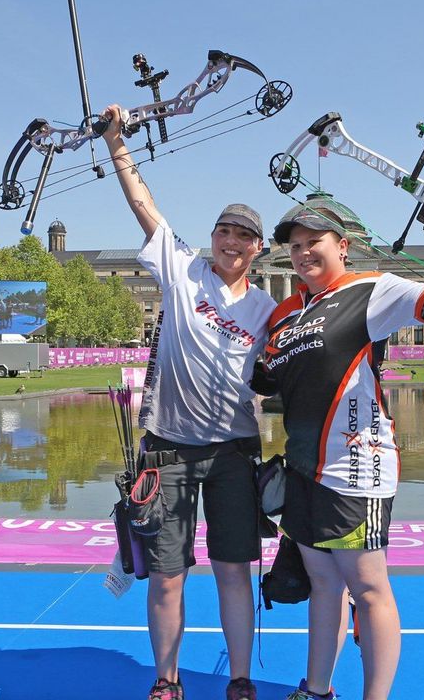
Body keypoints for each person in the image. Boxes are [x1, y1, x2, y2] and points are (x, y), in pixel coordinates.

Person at [253, 191, 424, 700]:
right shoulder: (286, 311)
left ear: (344, 246)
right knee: (323, 585)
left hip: (356, 467)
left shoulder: (371, 288)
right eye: (295, 245)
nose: (304, 252)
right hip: (303, 469)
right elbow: (268, 382)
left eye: (315, 242)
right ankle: (316, 690)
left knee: (368, 587)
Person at [100, 103, 277, 700]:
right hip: (167, 454)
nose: (232, 241)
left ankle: (240, 680)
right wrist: (116, 143)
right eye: (224, 231)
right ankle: (166, 680)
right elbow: (142, 205)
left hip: (232, 456)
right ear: (213, 238)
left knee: (234, 572)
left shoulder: (267, 311)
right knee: (167, 579)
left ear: (257, 250)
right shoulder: (182, 270)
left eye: (244, 235)